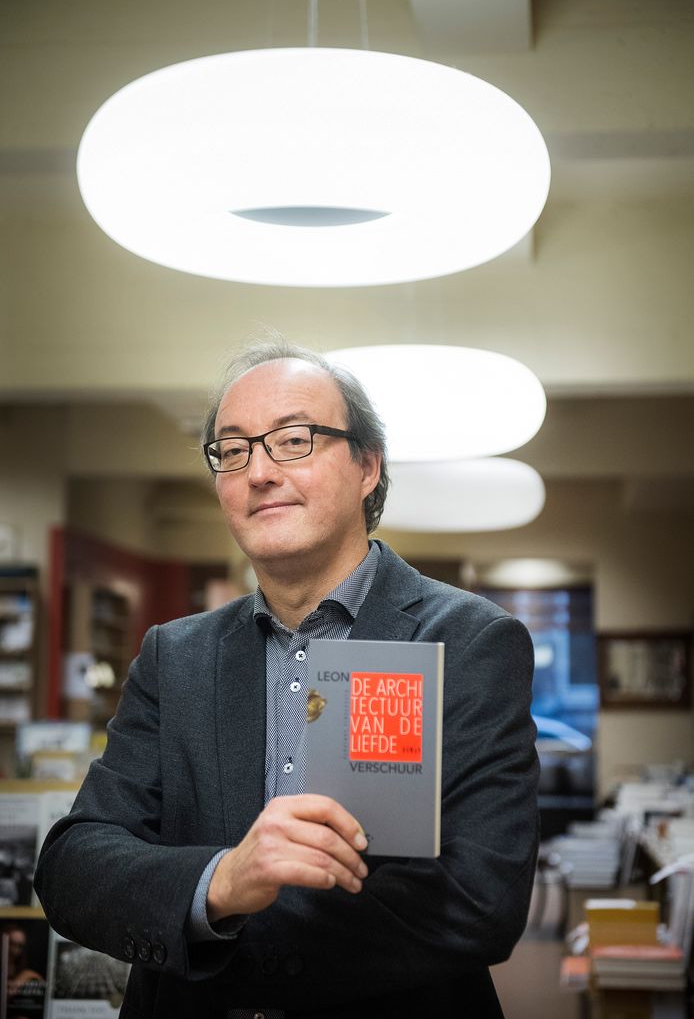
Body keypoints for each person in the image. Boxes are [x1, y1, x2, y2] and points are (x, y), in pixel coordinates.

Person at [35, 338, 539, 1019]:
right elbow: (74, 866)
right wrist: (222, 884)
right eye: (233, 449)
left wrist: (226, 929)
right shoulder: (173, 655)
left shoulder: (468, 642)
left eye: (294, 439)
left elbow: (480, 898)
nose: (260, 470)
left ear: (368, 464)